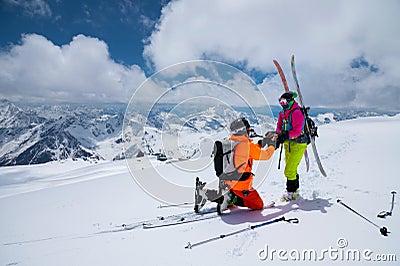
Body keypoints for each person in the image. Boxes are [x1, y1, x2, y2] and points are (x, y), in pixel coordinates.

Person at [214, 117, 276, 213]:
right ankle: (232, 198)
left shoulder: (231, 142)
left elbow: (247, 152)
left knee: (236, 187)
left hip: (227, 182)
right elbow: (266, 155)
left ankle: (228, 195)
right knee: (258, 205)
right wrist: (272, 145)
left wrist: (260, 144)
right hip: (241, 185)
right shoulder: (247, 145)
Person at [269, 91, 309, 201]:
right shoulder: (282, 113)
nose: (282, 104)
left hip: (298, 143)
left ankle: (290, 192)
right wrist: (278, 136)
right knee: (291, 169)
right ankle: (295, 191)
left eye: (284, 101)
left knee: (289, 170)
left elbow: (297, 131)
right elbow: (279, 127)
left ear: (290, 101)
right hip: (288, 143)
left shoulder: (297, 113)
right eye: (280, 101)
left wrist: (284, 135)